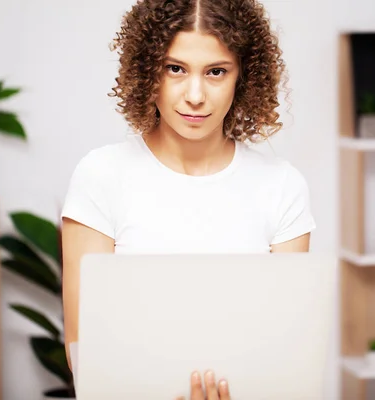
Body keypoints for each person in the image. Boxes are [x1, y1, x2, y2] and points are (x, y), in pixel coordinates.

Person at [60, 0, 316, 398]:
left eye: (216, 72)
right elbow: (83, 348)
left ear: (243, 77)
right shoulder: (101, 177)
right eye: (175, 68)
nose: (194, 95)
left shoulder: (282, 187)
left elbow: (283, 348)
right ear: (148, 71)